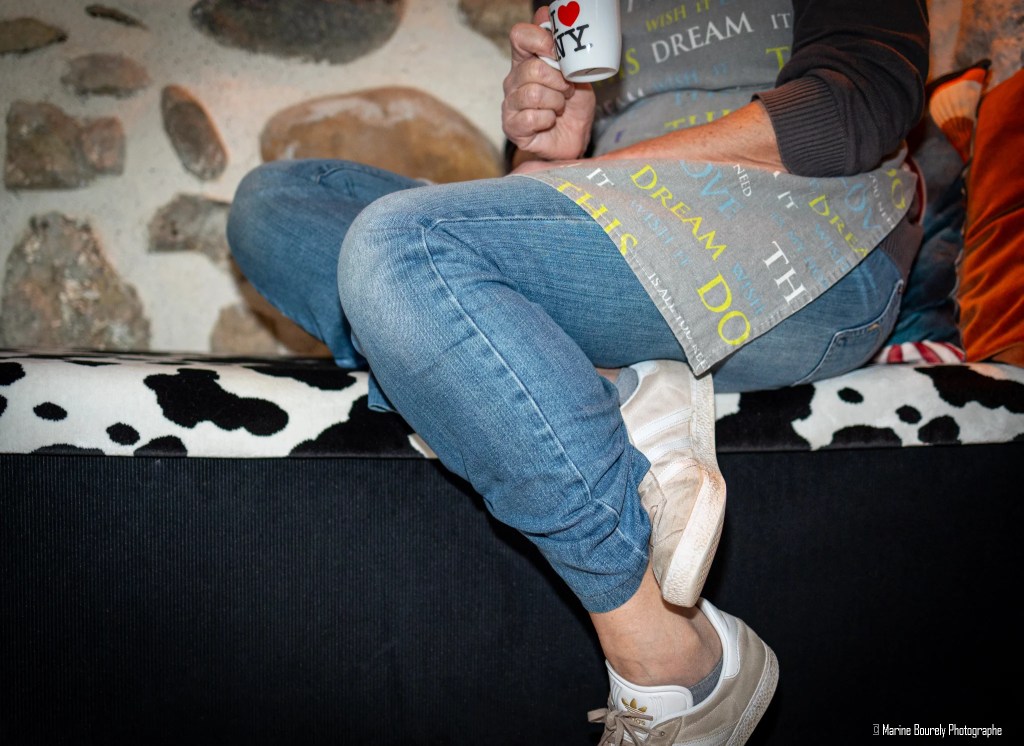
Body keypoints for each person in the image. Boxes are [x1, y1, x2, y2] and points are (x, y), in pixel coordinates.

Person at [226, 1, 929, 741]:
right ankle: (613, 392)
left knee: (400, 250)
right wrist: (544, 159)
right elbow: (543, 235)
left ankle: (670, 660)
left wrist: (589, 178)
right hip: (616, 247)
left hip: (807, 248)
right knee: (275, 206)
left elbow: (857, 104)